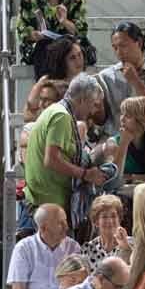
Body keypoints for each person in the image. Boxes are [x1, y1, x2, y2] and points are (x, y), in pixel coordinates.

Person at [20, 79, 106, 221]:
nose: (92, 111)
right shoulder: (61, 116)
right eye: (92, 104)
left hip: (47, 195)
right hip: (48, 201)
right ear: (83, 99)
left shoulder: (57, 111)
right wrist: (86, 174)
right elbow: (51, 160)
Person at [97, 21, 145, 137]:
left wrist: (136, 82)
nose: (119, 52)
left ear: (139, 43)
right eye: (115, 48)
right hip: (114, 141)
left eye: (123, 46)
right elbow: (100, 119)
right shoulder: (106, 76)